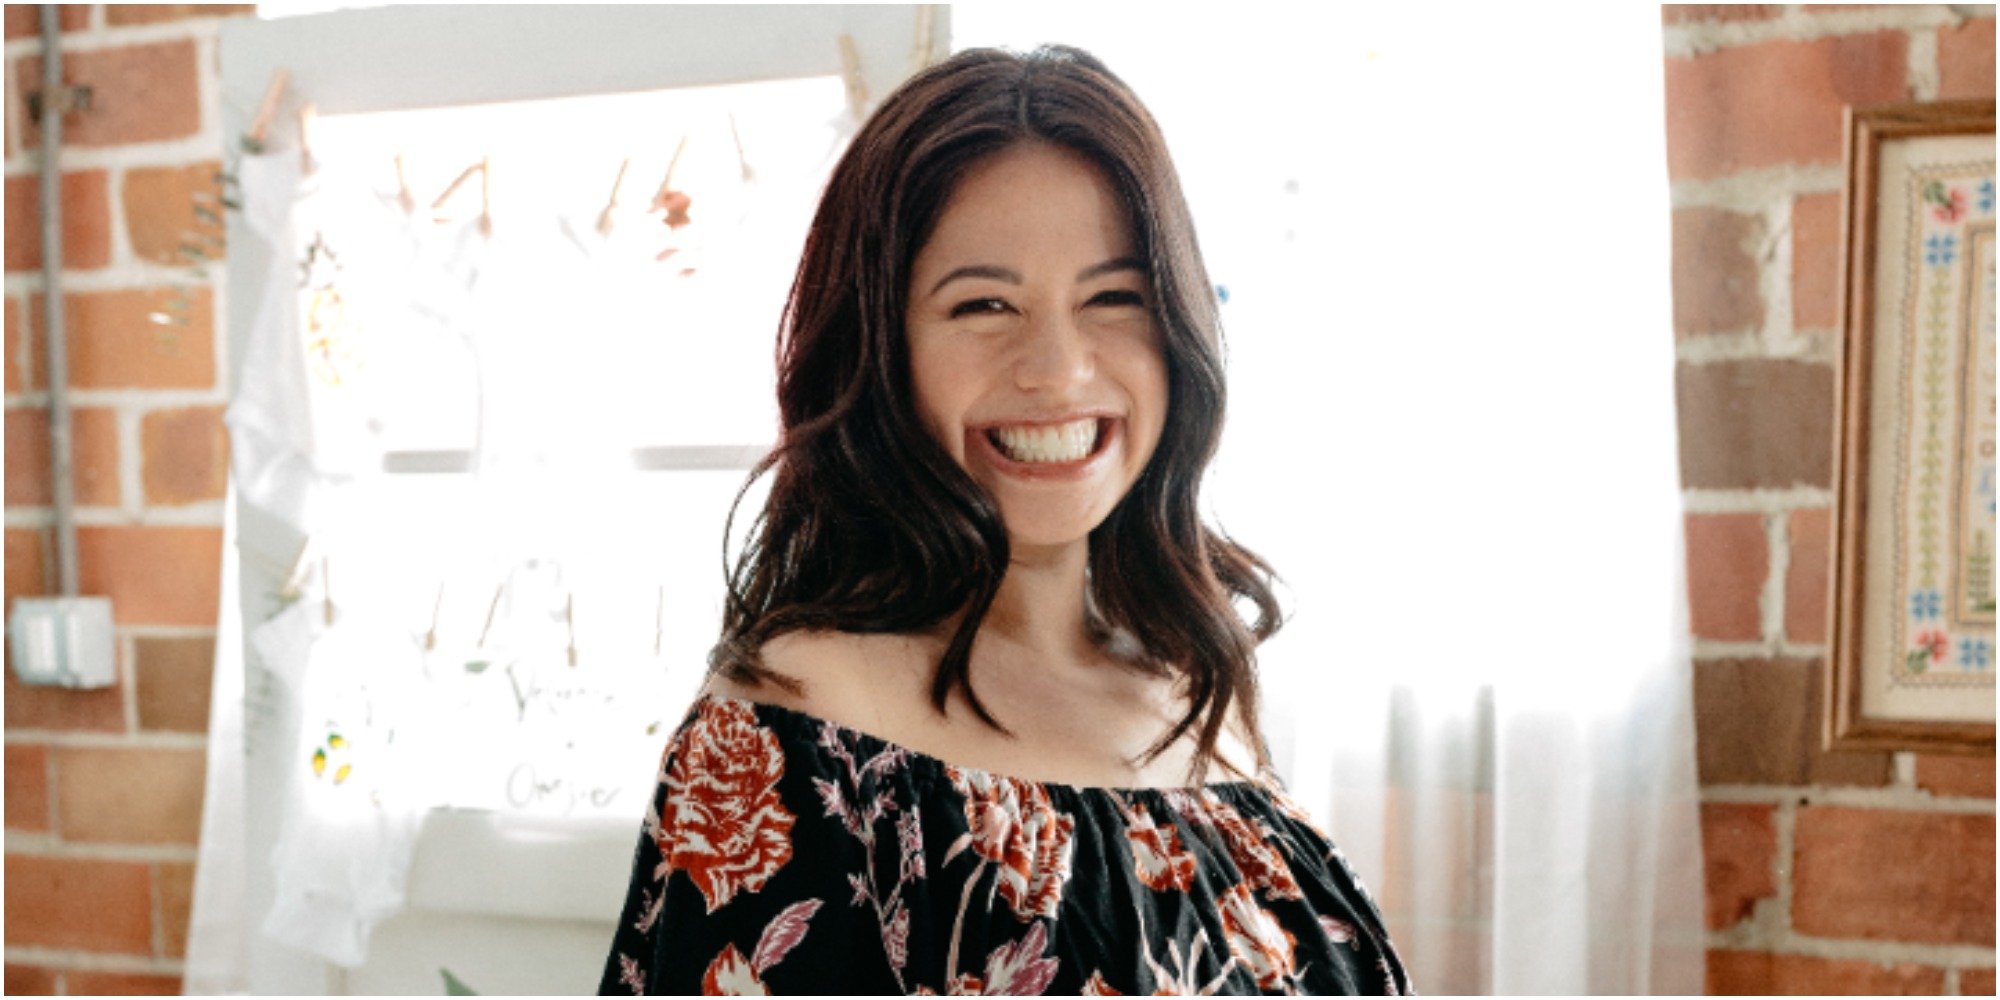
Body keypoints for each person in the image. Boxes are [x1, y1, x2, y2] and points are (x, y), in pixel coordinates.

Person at [599, 45, 1412, 996]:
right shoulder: (793, 732)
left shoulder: (1199, 686)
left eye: (1115, 298)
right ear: (879, 348)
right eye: (984, 304)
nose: (1058, 369)